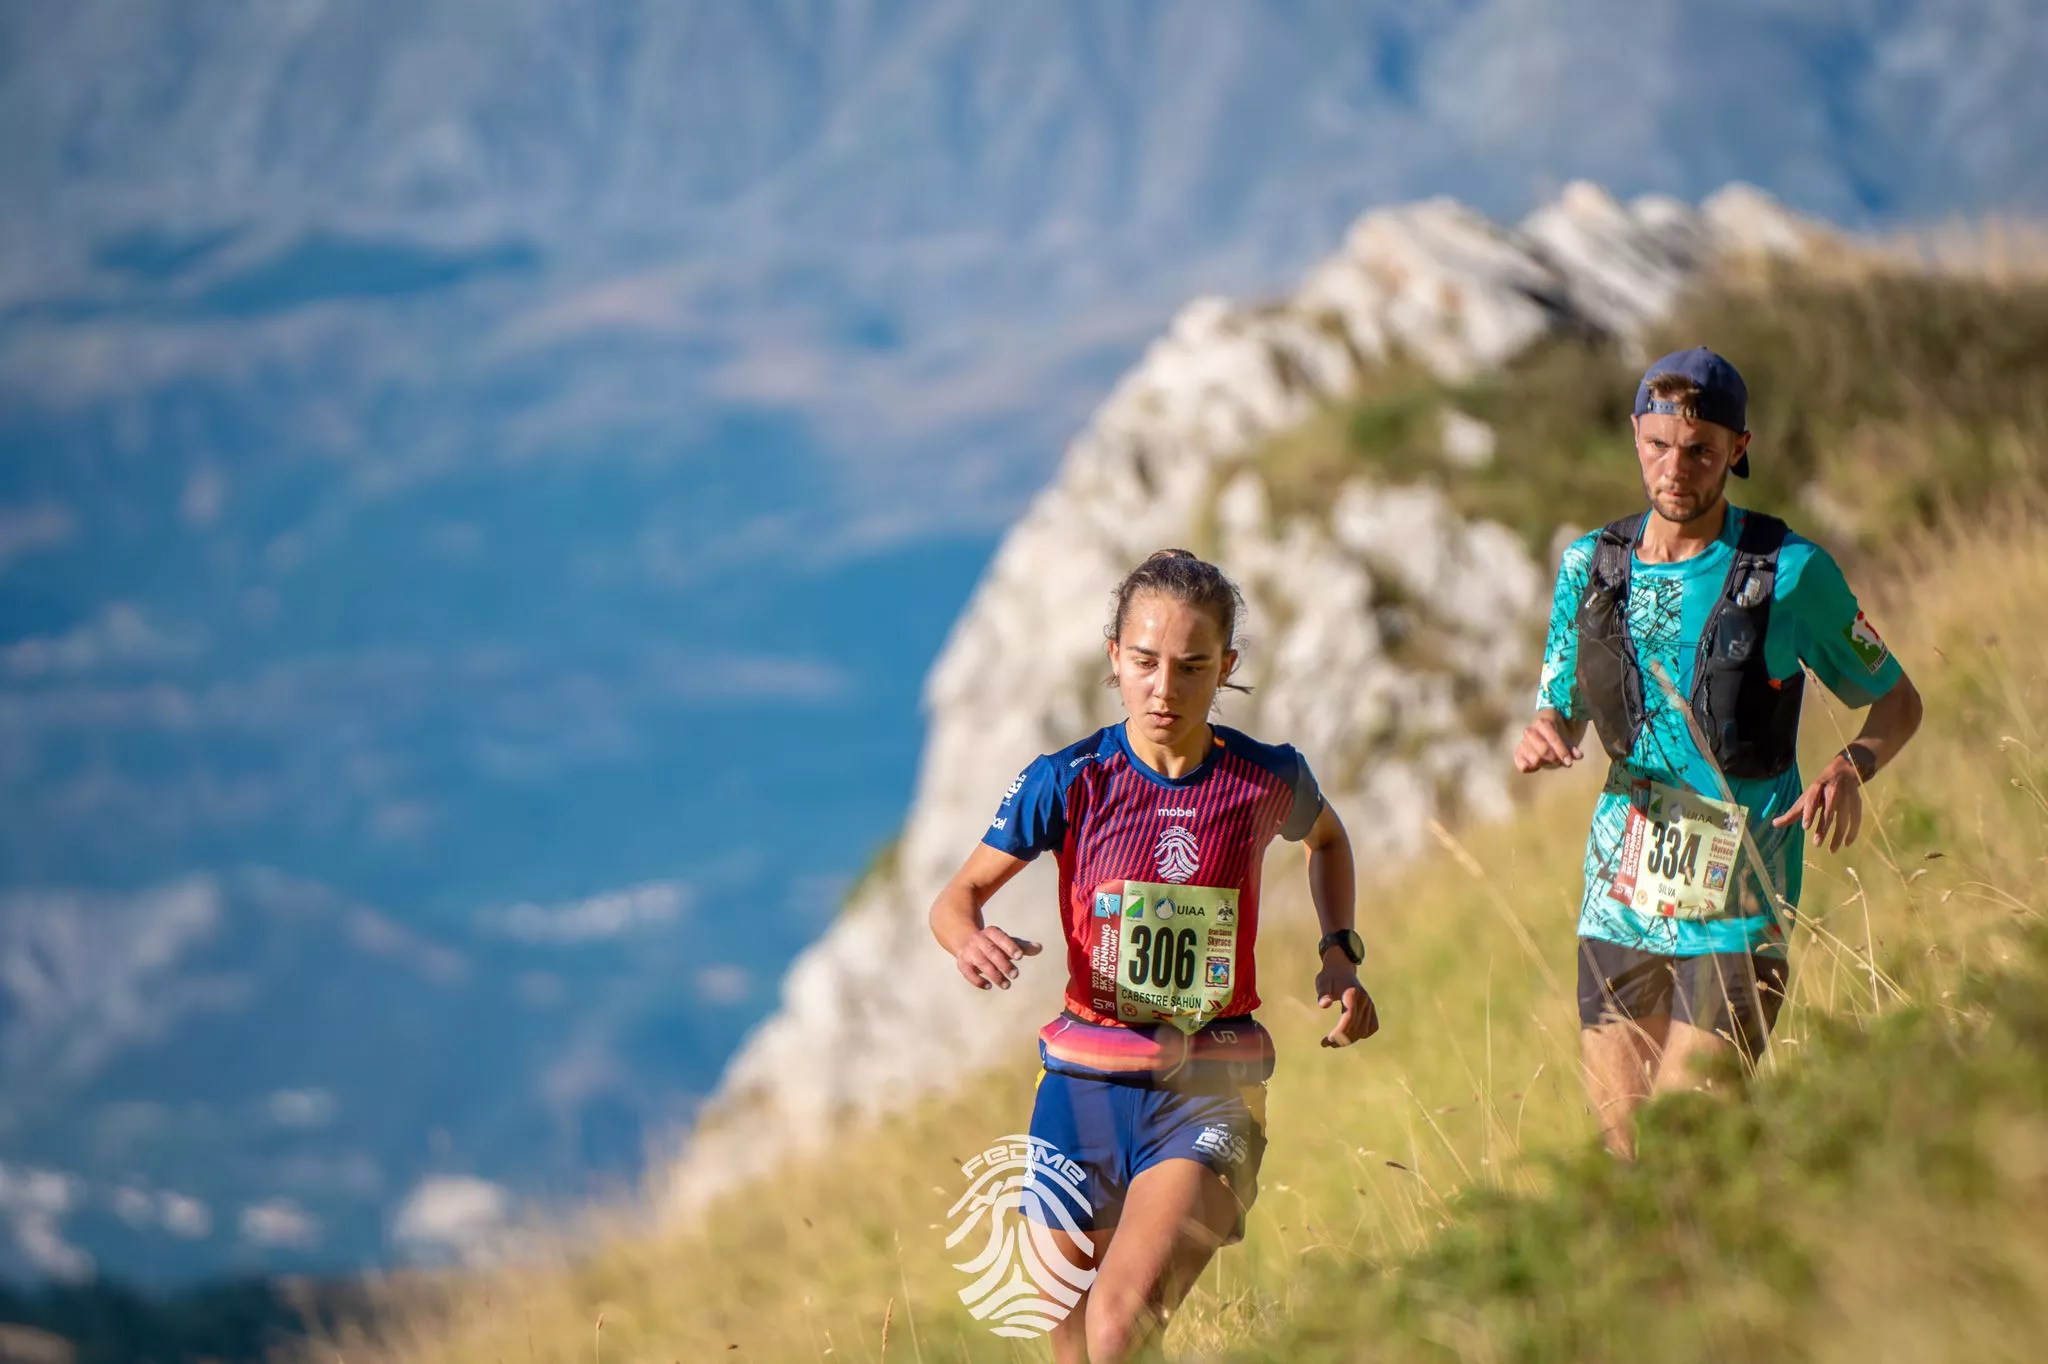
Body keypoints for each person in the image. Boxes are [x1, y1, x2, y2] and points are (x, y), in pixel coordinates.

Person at [929, 548, 1378, 1364]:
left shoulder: (1264, 778)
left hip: (1210, 1089)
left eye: (1192, 666)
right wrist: (971, 940)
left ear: (1226, 667)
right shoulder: (1069, 780)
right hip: (1081, 1091)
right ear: (1114, 658)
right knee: (1076, 1349)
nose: (1164, 688)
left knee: (1117, 1330)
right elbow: (955, 900)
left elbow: (1328, 840)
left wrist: (1339, 952)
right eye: (1144, 662)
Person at [1514, 346, 1924, 1159]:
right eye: (1659, 445)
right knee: (1625, 1153)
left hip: (1740, 903)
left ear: (1739, 449)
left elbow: (1899, 701)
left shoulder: (1791, 573)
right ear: (1635, 434)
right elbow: (1559, 704)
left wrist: (1853, 765)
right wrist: (1546, 730)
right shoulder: (1591, 568)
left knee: (1687, 1144)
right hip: (1620, 892)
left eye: (1701, 451)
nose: (1675, 469)